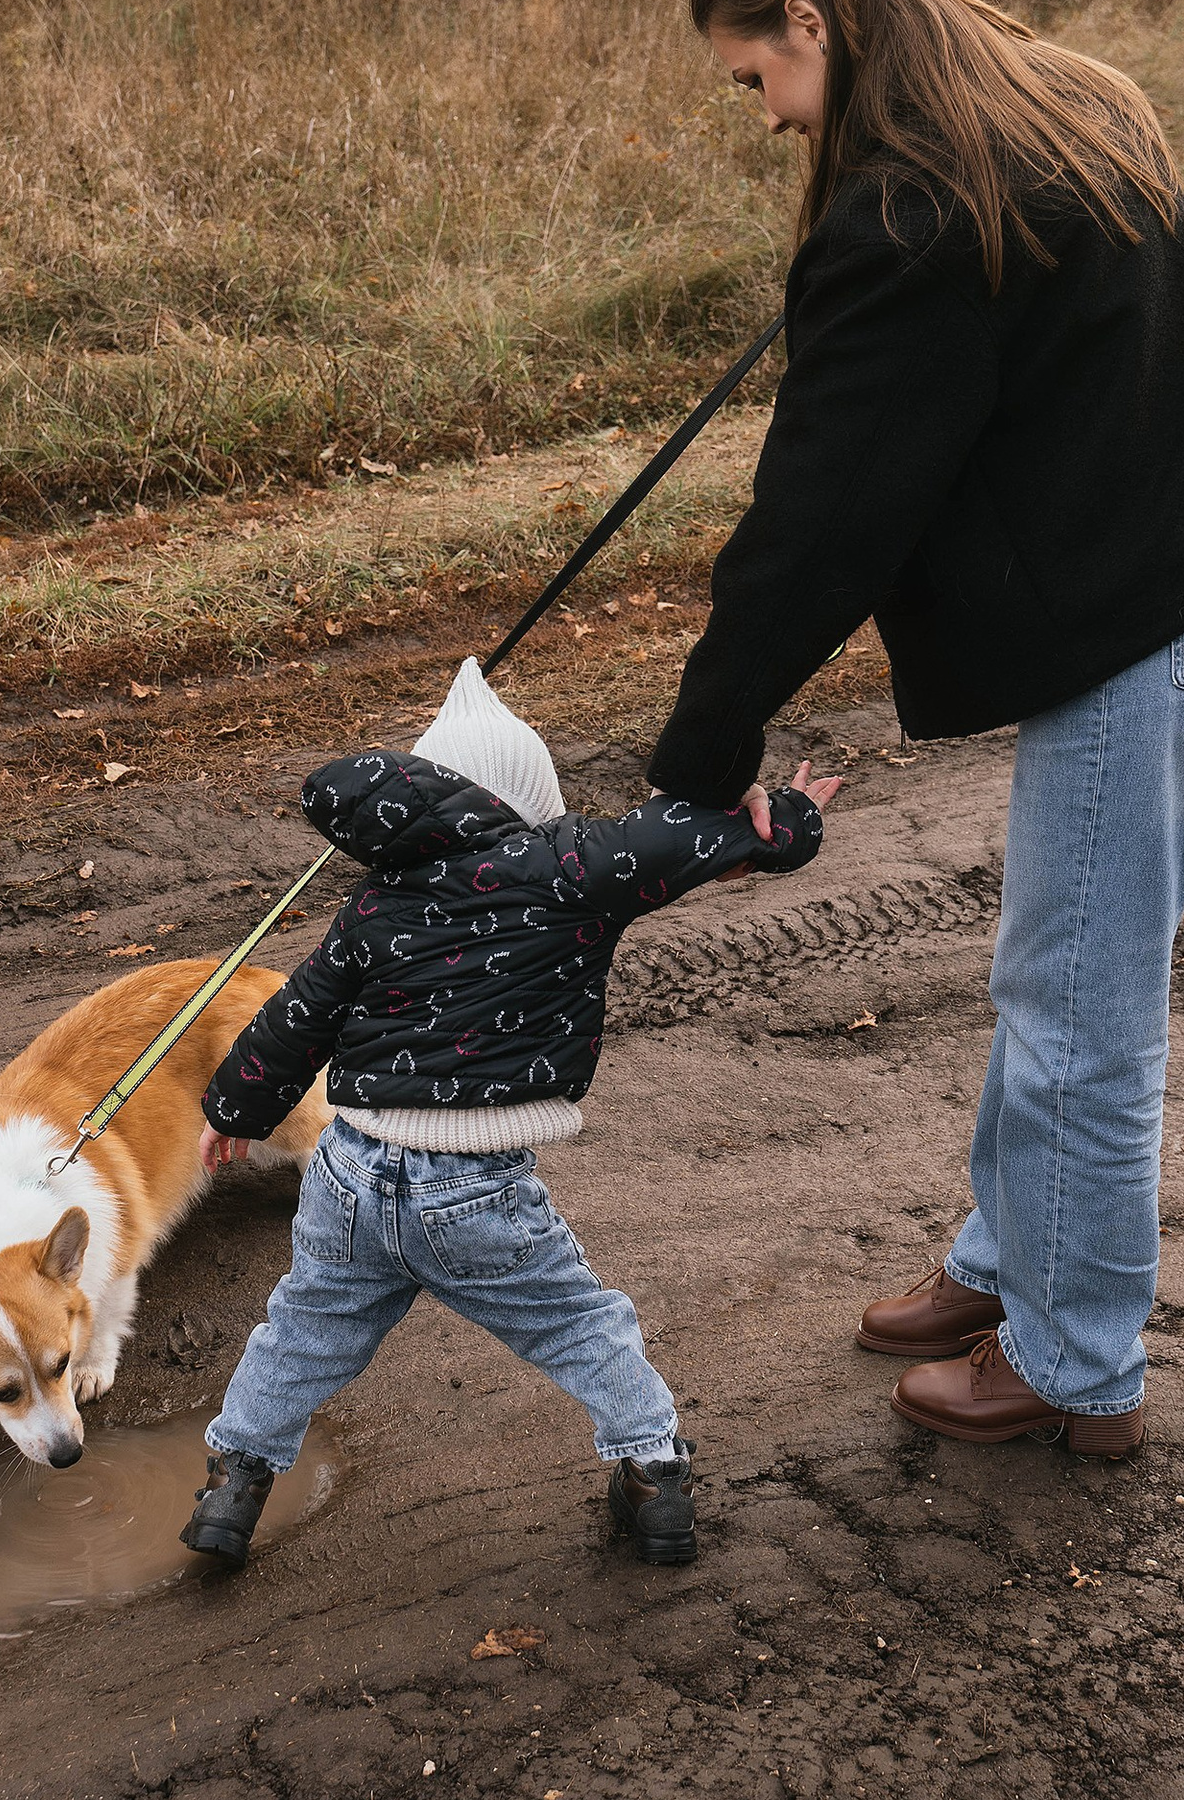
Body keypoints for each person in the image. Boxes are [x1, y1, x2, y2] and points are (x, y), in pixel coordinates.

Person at [645, 0, 1184, 1455]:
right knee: (1053, 978)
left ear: (806, 22)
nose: (767, 117)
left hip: (1149, 627)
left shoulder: (915, 202)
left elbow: (823, 519)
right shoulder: (1037, 96)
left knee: (1085, 1012)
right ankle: (1013, 1264)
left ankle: (1079, 1366)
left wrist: (698, 757)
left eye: (755, 83)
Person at [182, 653, 838, 1570]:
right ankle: (652, 1478)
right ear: (536, 798)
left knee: (303, 1327)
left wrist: (235, 1110)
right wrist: (794, 819)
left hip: (350, 1172)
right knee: (579, 1324)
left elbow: (300, 1011)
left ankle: (231, 1491)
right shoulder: (575, 866)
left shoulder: (376, 900)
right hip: (474, 1192)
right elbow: (698, 835)